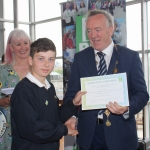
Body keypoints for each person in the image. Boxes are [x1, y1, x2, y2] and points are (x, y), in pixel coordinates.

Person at [64, 9, 149, 150]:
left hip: (120, 135)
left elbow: (142, 94)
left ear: (111, 29)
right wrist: (72, 114)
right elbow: (71, 94)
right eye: (89, 30)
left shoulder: (130, 57)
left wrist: (127, 108)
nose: (93, 35)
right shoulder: (80, 58)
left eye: (97, 30)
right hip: (89, 136)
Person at [10, 38, 86, 150]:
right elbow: (32, 129)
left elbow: (54, 116)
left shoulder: (49, 87)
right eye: (41, 59)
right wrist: (64, 130)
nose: (46, 64)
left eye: (51, 59)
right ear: (30, 60)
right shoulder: (24, 90)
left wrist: (73, 103)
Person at [0, 29, 31, 150]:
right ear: (11, 48)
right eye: (18, 44)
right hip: (9, 125)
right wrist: (7, 101)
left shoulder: (38, 68)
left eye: (26, 43)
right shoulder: (2, 71)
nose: (23, 47)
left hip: (33, 123)